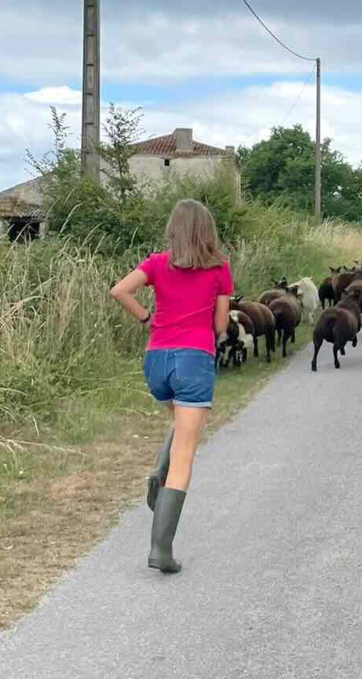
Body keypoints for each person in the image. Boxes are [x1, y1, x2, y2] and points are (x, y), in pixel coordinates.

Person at [110, 199, 232, 573]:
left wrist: (146, 317)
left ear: (174, 229)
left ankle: (157, 475)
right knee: (185, 454)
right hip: (193, 359)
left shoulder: (156, 263)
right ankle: (160, 549)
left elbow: (119, 291)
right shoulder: (219, 268)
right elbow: (221, 325)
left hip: (156, 360)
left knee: (180, 425)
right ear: (207, 230)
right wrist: (209, 331)